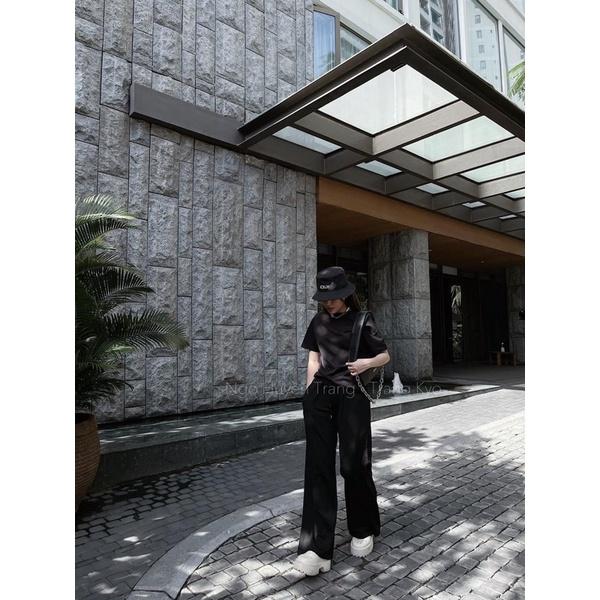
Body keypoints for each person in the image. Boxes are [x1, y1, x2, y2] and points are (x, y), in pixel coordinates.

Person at [293, 266, 391, 577]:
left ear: (346, 294)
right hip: (320, 399)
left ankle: (363, 528)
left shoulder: (362, 320)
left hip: (352, 397)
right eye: (325, 297)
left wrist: (365, 363)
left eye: (334, 297)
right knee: (318, 468)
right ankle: (317, 548)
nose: (329, 302)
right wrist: (309, 392)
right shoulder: (318, 321)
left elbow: (385, 355)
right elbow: (313, 358)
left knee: (354, 464)